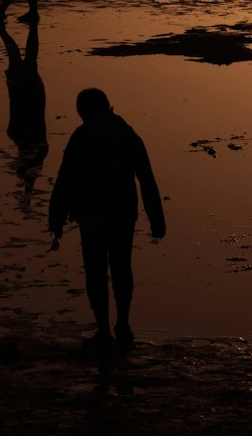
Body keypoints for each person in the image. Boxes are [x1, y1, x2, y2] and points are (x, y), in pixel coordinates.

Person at [48, 88, 165, 355]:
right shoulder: (125, 135)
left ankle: (107, 329)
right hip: (119, 216)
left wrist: (56, 217)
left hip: (95, 218)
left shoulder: (84, 136)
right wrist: (156, 220)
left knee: (97, 272)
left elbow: (65, 180)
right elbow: (146, 180)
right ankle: (120, 325)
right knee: (120, 269)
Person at [0, 13, 49, 211]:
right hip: (25, 92)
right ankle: (6, 30)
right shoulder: (21, 136)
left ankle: (19, 29)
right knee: (18, 56)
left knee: (27, 57)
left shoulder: (37, 142)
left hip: (30, 94)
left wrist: (28, 190)